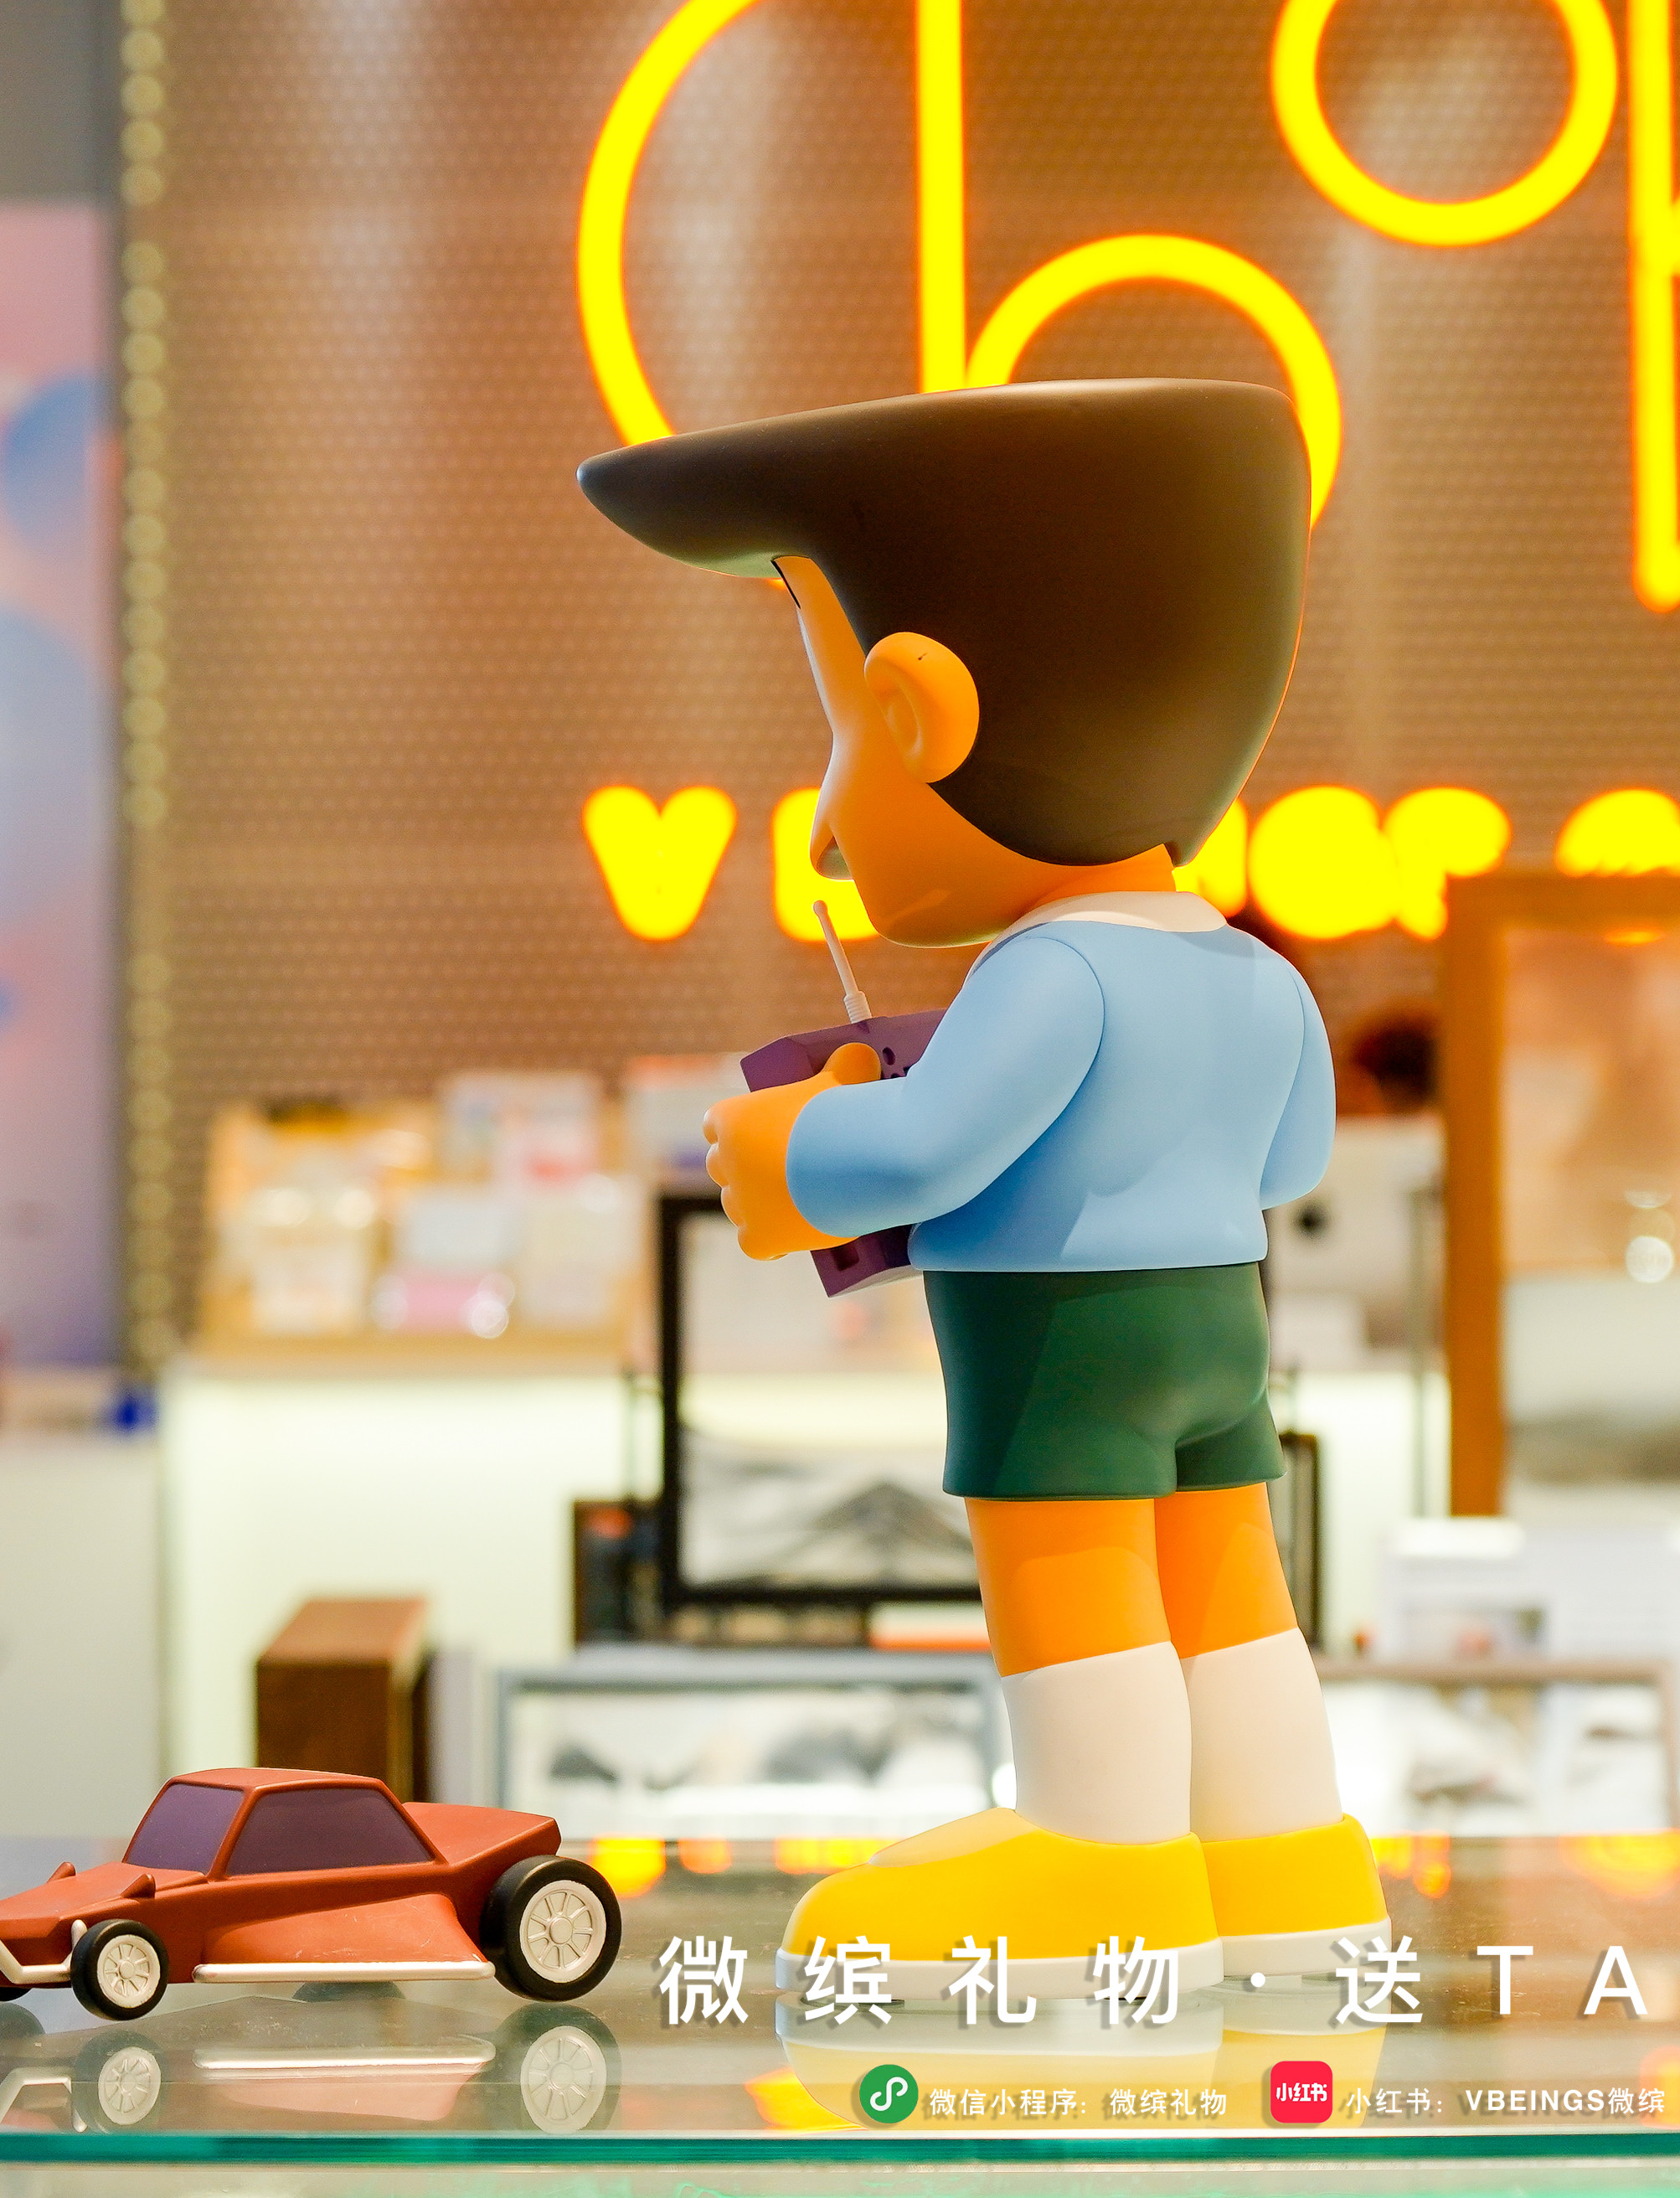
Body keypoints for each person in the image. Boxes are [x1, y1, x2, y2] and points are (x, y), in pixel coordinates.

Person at [579, 379, 1384, 1999]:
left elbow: (932, 1151)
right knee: (1229, 1585)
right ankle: (1285, 1863)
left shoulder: (1051, 972)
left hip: (1059, 1343)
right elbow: (1292, 1162)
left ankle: (1103, 1858)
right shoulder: (1250, 971)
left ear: (922, 716)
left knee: (1075, 1573)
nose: (825, 828)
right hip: (1218, 1332)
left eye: (842, 736)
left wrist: (787, 1153)